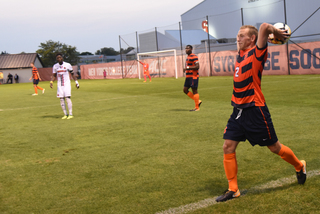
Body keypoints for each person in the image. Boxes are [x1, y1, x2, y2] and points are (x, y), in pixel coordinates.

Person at [216, 23, 306, 202]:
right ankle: (233, 189)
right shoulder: (240, 53)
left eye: (242, 36)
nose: (238, 38)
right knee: (228, 146)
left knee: (274, 147)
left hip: (255, 110)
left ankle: (299, 165)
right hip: (238, 111)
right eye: (238, 35)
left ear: (252, 39)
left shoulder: (257, 53)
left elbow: (264, 27)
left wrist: (274, 32)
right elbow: (251, 37)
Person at [50, 53, 79, 120]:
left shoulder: (67, 65)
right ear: (56, 59)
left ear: (62, 58)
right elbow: (54, 76)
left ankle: (71, 114)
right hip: (60, 85)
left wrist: (76, 82)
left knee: (67, 98)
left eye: (60, 57)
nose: (59, 59)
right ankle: (65, 114)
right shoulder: (55, 66)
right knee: (61, 99)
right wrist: (51, 82)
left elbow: (72, 74)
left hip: (67, 84)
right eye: (57, 58)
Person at [183, 45, 202, 111]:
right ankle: (198, 101)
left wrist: (187, 68)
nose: (186, 49)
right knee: (185, 90)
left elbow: (197, 66)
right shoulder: (188, 57)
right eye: (185, 48)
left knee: (194, 91)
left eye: (187, 48)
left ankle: (197, 108)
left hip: (193, 77)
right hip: (188, 77)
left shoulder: (194, 56)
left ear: (191, 49)